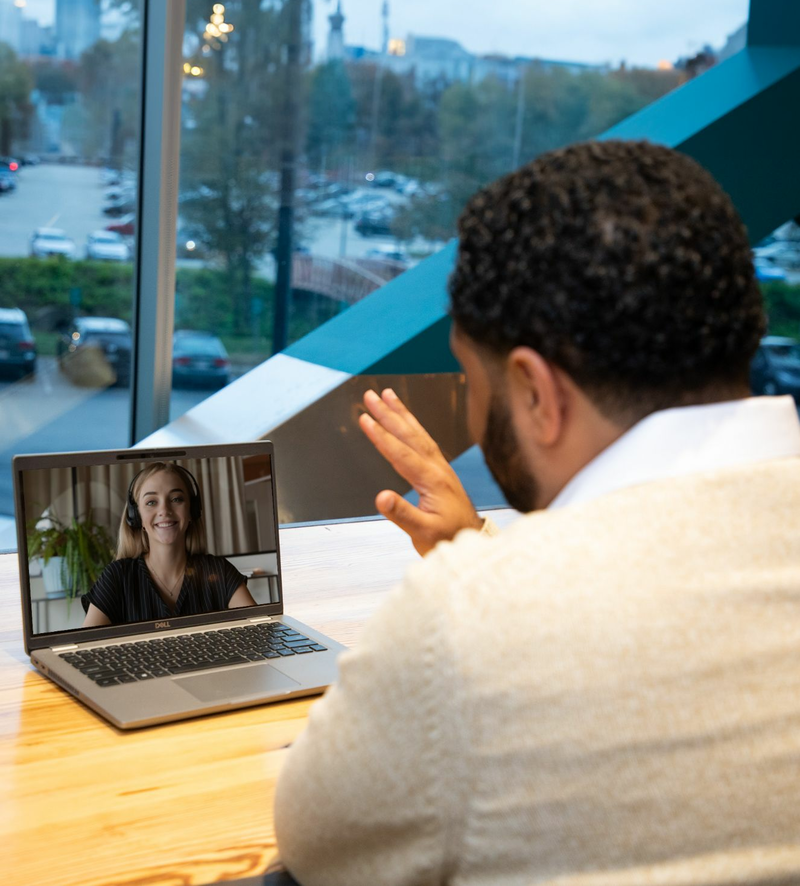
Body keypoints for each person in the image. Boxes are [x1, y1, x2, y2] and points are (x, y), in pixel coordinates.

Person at [273, 140, 800, 885]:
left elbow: (313, 840)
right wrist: (484, 544)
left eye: (471, 379)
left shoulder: (468, 624)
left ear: (534, 393)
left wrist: (482, 578)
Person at [82, 462, 256, 626]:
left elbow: (258, 629)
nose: (164, 510)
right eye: (151, 502)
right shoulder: (117, 577)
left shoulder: (219, 571)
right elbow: (87, 649)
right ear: (136, 517)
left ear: (191, 512)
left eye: (176, 499)